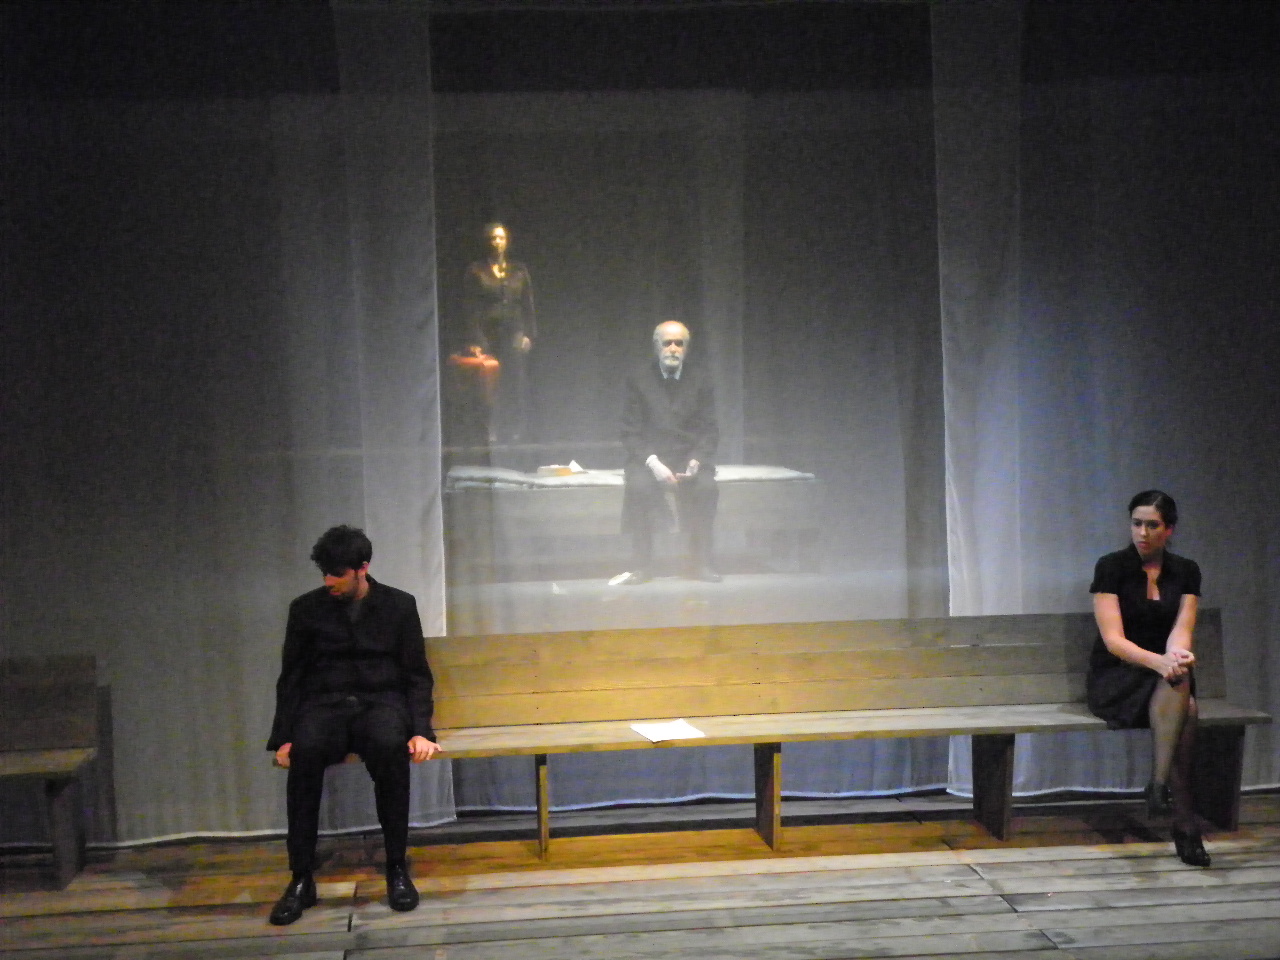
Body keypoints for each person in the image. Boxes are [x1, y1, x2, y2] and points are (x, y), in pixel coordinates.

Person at [266, 526, 442, 924]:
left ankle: (396, 867)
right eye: (325, 573)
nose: (329, 581)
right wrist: (284, 737)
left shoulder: (398, 605)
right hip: (325, 706)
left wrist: (421, 730)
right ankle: (301, 877)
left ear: (363, 568)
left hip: (380, 704)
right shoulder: (305, 609)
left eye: (338, 574)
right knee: (304, 754)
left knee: (390, 748)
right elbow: (291, 677)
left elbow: (416, 674)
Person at [1087, 490, 1209, 867]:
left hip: (1164, 676)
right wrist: (1160, 663)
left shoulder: (1186, 571)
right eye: (1137, 523)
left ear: (1169, 529)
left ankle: (1160, 788)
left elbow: (1181, 630)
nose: (1142, 532)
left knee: (1181, 686)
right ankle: (1182, 818)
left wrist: (1177, 656)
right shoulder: (1111, 567)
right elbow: (1114, 642)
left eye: (1152, 525)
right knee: (1186, 707)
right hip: (1119, 675)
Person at [616, 320, 720, 584]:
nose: (673, 349)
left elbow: (710, 430)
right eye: (667, 343)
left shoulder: (701, 380)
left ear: (686, 348)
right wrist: (654, 464)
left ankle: (700, 563)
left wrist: (697, 460)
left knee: (706, 488)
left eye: (679, 343)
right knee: (639, 487)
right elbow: (630, 432)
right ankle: (642, 566)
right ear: (656, 346)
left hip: (688, 456)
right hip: (649, 457)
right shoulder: (639, 379)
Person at [463, 222, 536, 444]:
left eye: (501, 238)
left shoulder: (518, 270)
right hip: (488, 335)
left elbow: (527, 303)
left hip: (514, 334)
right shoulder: (476, 270)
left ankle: (516, 430)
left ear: (507, 241)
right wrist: (475, 339)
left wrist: (528, 334)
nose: (497, 242)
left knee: (515, 384)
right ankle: (489, 429)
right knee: (489, 386)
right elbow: (470, 307)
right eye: (493, 238)